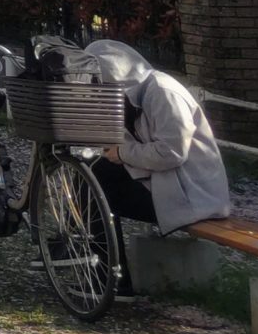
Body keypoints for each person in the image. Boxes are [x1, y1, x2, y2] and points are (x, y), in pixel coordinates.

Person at [81, 40, 231, 233]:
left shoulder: (163, 92)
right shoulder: (130, 98)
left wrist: (122, 153)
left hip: (194, 199)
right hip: (165, 185)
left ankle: (100, 258)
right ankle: (97, 255)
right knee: (92, 173)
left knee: (97, 187)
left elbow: (172, 153)